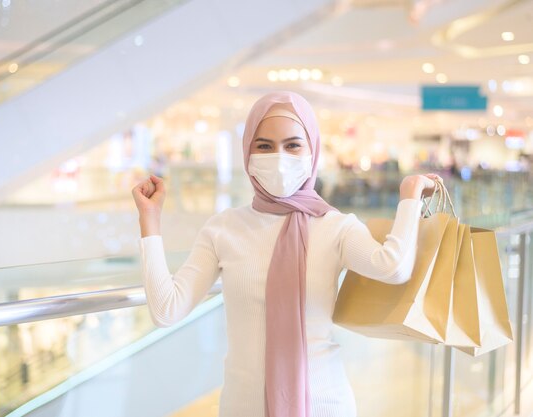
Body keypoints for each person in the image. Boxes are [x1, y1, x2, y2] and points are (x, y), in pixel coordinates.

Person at [131, 91, 443, 417]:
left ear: (313, 151)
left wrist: (410, 198)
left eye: (293, 145)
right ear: (247, 152)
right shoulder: (223, 229)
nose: (279, 157)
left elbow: (392, 267)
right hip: (243, 407)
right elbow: (167, 310)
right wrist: (149, 220)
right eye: (264, 146)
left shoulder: (335, 226)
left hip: (325, 404)